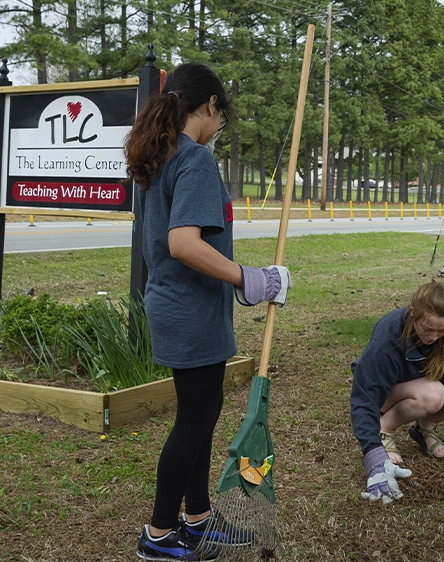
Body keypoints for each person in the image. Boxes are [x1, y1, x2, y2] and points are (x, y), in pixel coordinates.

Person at [125, 62, 291, 561]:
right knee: (195, 421)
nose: (221, 128)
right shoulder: (193, 158)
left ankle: (196, 520)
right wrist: (252, 279)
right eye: (223, 117)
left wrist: (238, 284)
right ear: (212, 106)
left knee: (202, 414)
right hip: (189, 308)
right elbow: (182, 244)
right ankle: (157, 535)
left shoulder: (161, 152)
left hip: (180, 304)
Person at [350, 281, 444, 504]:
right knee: (434, 393)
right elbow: (365, 398)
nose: (434, 337)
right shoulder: (388, 337)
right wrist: (374, 458)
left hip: (426, 379)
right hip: (391, 391)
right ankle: (385, 428)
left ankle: (424, 427)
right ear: (413, 315)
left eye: (442, 330)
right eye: (428, 329)